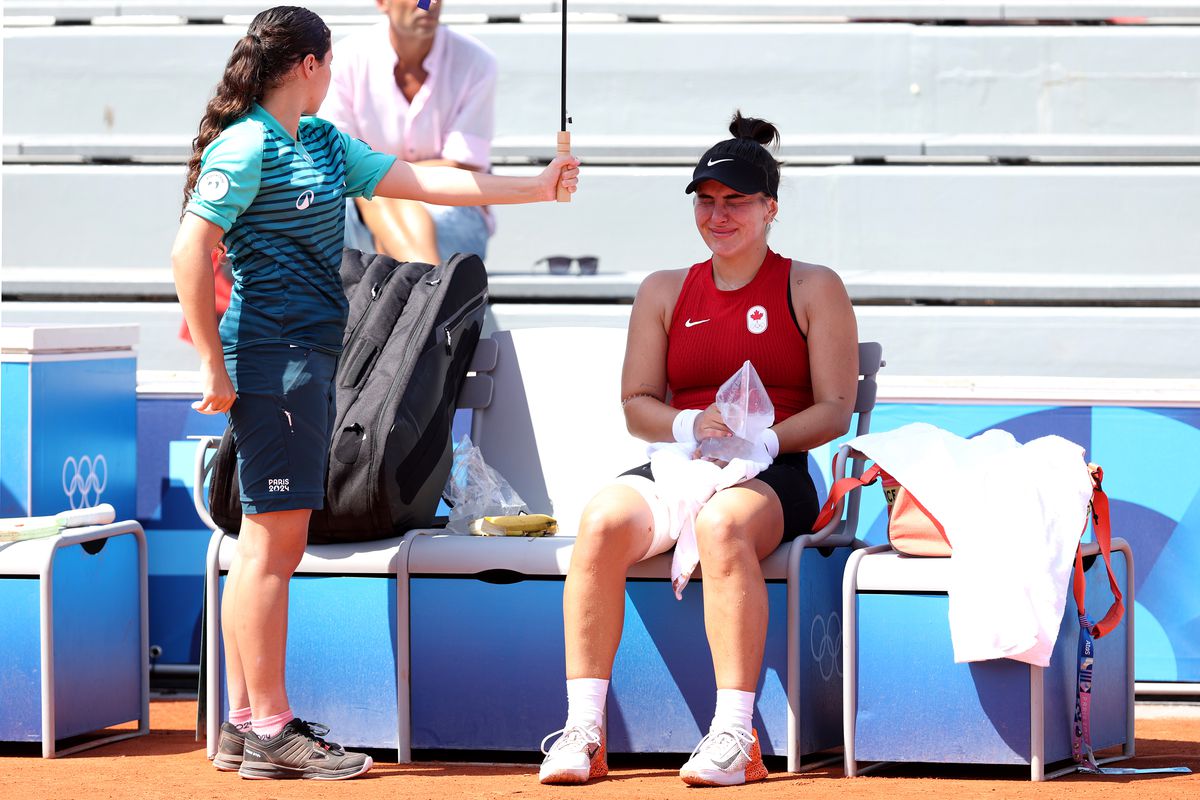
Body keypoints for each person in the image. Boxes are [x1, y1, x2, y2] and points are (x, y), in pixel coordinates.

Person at [171, 6, 577, 781]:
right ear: (312, 65)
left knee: (262, 545)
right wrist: (212, 366)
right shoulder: (249, 142)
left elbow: (424, 181)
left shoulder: (321, 141)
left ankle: (241, 723)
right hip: (272, 359)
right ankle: (271, 728)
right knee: (272, 546)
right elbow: (189, 246)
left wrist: (535, 186)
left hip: (310, 357)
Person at [537, 112, 858, 787]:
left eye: (737, 201)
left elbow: (834, 409)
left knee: (722, 525)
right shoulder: (663, 290)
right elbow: (637, 405)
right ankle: (584, 730)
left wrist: (766, 438)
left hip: (779, 469)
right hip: (684, 463)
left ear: (770, 208)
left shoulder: (812, 285)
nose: (719, 215)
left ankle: (735, 735)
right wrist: (691, 426)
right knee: (597, 521)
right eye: (706, 202)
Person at [319, 0, 497, 264]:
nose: (430, 3)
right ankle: (433, 297)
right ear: (382, 3)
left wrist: (385, 178)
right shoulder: (345, 60)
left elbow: (465, 165)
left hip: (448, 209)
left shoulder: (477, 61)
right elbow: (339, 163)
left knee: (377, 192)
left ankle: (420, 296)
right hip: (360, 208)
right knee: (364, 199)